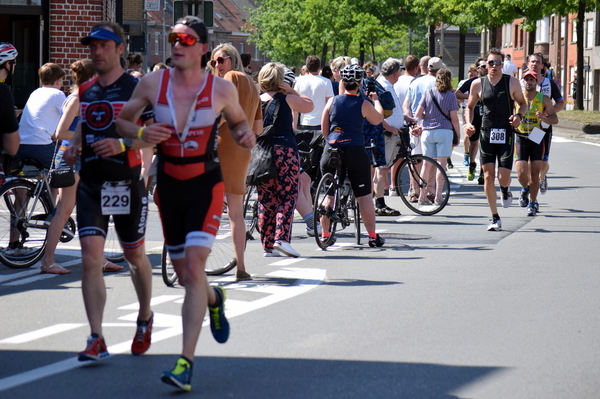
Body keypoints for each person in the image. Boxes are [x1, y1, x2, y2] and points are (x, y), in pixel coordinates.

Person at [115, 16, 256, 392]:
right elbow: (123, 123)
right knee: (186, 273)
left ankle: (185, 363)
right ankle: (214, 297)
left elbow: (242, 124)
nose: (176, 44)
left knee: (193, 266)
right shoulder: (151, 83)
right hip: (169, 187)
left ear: (203, 48)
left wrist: (244, 136)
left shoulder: (221, 91)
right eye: (174, 38)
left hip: (205, 186)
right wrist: (143, 132)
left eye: (185, 39)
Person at [63, 22, 154, 363]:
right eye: (92, 46)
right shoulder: (86, 90)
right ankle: (96, 336)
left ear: (119, 48)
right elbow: (84, 127)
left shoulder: (137, 88)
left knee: (134, 257)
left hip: (126, 184)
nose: (96, 52)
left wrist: (121, 144)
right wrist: (73, 146)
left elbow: (153, 134)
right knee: (90, 260)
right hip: (90, 185)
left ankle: (145, 315)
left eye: (104, 46)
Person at [210, 43, 262, 281]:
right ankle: (240, 266)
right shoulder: (252, 84)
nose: (216, 66)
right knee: (235, 212)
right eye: (213, 62)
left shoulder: (230, 77)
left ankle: (186, 254)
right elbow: (257, 127)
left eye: (220, 60)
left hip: (222, 146)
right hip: (242, 151)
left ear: (231, 59)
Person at [320, 64, 385, 247]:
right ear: (360, 82)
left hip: (332, 149)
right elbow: (378, 119)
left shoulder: (331, 101)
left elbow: (324, 129)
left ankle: (325, 234)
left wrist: (333, 140)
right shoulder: (363, 104)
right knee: (364, 196)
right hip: (355, 149)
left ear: (342, 82)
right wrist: (376, 101)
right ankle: (372, 236)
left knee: (329, 193)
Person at [464, 48, 526, 231]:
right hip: (486, 133)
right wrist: (468, 123)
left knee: (503, 177)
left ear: (502, 65)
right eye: (491, 63)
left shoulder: (512, 83)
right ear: (485, 65)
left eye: (498, 63)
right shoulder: (477, 84)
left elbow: (522, 104)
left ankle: (505, 190)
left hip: (506, 133)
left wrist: (518, 117)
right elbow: (469, 107)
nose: (494, 66)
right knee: (489, 177)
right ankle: (494, 217)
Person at [256, 62, 313, 258]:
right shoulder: (287, 98)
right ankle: (282, 239)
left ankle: (268, 245)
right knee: (287, 196)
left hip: (262, 153)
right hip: (285, 151)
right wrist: (293, 91)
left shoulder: (256, 100)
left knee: (266, 199)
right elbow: (309, 105)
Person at [415, 68, 461, 203]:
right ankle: (438, 195)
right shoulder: (451, 96)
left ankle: (422, 195)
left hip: (428, 132)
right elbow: (454, 119)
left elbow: (418, 113)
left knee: (426, 165)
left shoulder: (428, 93)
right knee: (441, 164)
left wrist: (427, 118)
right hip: (444, 131)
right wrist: (457, 135)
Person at [516, 69, 558, 216]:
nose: (529, 82)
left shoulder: (544, 99)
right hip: (520, 135)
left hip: (536, 135)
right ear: (523, 81)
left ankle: (533, 203)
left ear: (536, 82)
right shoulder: (517, 97)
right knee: (521, 173)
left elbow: (555, 119)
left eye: (531, 79)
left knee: (534, 173)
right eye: (526, 79)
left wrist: (543, 118)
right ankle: (525, 189)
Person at [523, 53, 565, 195]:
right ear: (527, 64)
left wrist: (549, 113)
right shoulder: (521, 82)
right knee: (528, 161)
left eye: (538, 62)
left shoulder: (548, 83)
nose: (535, 64)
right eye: (532, 61)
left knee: (542, 163)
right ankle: (528, 187)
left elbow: (560, 102)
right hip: (526, 127)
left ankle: (542, 177)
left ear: (542, 65)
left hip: (542, 128)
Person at [16, 63, 66, 171]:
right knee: (67, 167)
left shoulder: (35, 93)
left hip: (20, 145)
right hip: (39, 146)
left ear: (41, 80)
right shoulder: (57, 94)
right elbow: (71, 115)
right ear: (58, 80)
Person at [374, 58, 404, 215]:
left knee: (383, 169)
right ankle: (379, 204)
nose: (400, 74)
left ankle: (379, 202)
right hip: (387, 134)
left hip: (391, 132)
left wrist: (407, 119)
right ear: (395, 72)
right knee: (382, 169)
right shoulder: (382, 87)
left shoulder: (387, 85)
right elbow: (377, 113)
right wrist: (389, 127)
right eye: (400, 71)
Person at [456, 58, 488, 183]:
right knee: (474, 143)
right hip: (474, 116)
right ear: (477, 68)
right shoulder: (472, 82)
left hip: (487, 117)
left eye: (485, 66)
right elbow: (458, 93)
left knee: (485, 145)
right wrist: (472, 98)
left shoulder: (493, 82)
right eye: (480, 66)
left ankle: (482, 172)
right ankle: (472, 164)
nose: (483, 68)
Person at [294, 55, 333, 131]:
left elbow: (295, 107)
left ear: (307, 67)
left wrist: (294, 126)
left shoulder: (299, 82)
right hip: (321, 122)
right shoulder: (326, 82)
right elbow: (330, 104)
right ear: (319, 67)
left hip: (304, 122)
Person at [0, 42, 20, 159]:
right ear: (7, 64)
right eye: (14, 61)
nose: (15, 65)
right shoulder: (3, 89)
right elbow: (12, 148)